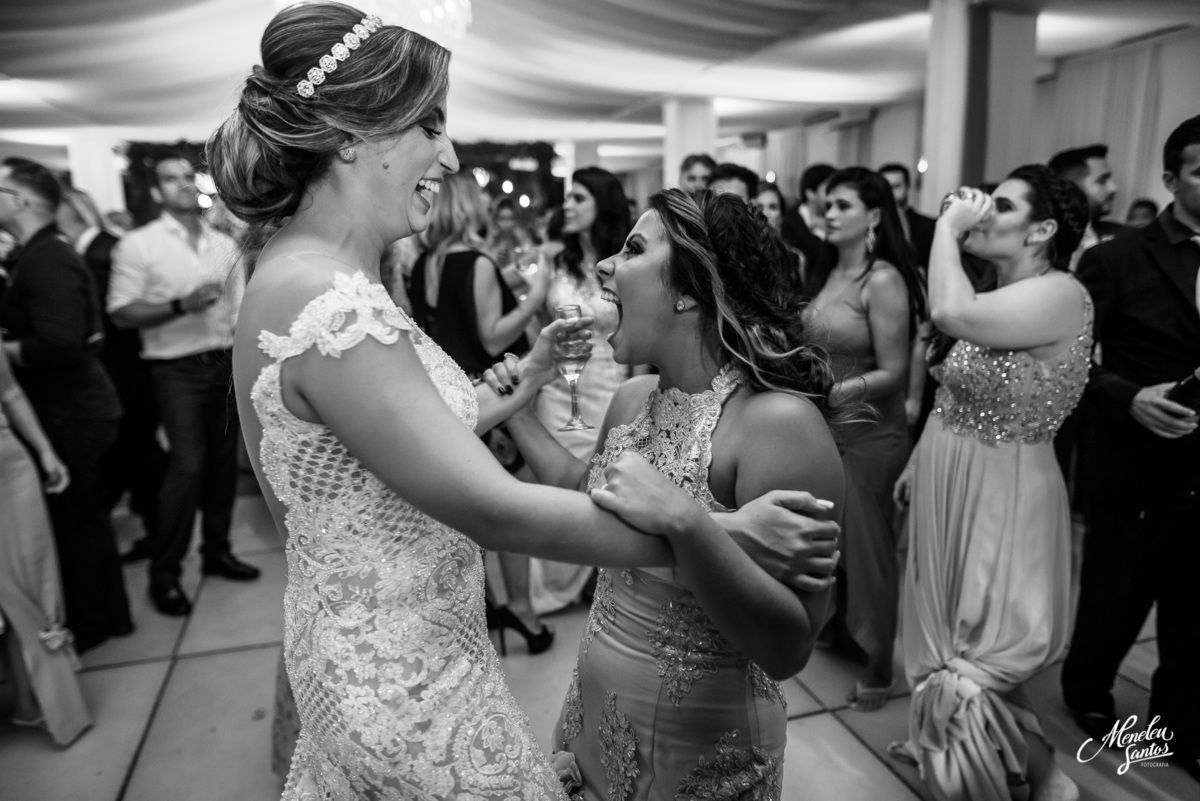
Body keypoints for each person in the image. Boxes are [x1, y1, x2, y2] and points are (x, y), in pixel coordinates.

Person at [208, 5, 841, 798]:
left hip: (381, 650)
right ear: (351, 134)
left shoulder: (304, 277)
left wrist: (530, 375)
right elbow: (496, 509)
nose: (449, 150)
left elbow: (389, 444)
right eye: (429, 124)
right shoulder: (328, 301)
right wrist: (715, 529)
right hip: (404, 674)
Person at [481, 187, 845, 799]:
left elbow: (789, 648)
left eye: (632, 248)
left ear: (686, 290)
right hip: (593, 715)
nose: (603, 265)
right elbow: (582, 493)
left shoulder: (777, 425)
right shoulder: (632, 398)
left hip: (698, 754)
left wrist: (688, 522)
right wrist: (516, 410)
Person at [891, 166, 1092, 801]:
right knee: (938, 626)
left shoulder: (1060, 293)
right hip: (947, 472)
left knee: (982, 647)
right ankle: (947, 741)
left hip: (1005, 488)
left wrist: (947, 223)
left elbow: (949, 309)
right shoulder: (994, 293)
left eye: (1000, 206)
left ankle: (1038, 773)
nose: (981, 214)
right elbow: (952, 398)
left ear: (1044, 230)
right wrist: (917, 462)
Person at [1062, 115, 1200, 783]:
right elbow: (1067, 361)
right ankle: (1087, 694)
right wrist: (1129, 396)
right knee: (1115, 597)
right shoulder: (1117, 257)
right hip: (1135, 462)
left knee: (1195, 613)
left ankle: (1181, 724)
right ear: (1172, 179)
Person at [406, 172, 554, 651]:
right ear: (468, 206)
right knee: (512, 512)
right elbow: (491, 336)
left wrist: (510, 276)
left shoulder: (425, 261)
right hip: (492, 396)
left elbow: (455, 314)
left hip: (448, 396)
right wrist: (536, 294)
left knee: (470, 514)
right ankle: (524, 615)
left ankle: (486, 606)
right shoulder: (477, 261)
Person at [108, 153, 259, 617]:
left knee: (220, 466)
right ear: (155, 191)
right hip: (174, 369)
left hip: (224, 363)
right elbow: (120, 311)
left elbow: (240, 307)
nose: (178, 185)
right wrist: (179, 306)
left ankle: (217, 551)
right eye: (167, 179)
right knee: (188, 466)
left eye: (184, 178)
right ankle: (165, 572)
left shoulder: (221, 243)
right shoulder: (139, 245)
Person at [801, 166, 926, 712]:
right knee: (828, 530)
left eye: (843, 205)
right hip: (828, 428)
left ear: (874, 216)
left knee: (871, 548)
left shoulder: (883, 280)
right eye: (827, 204)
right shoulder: (824, 274)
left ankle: (881, 666)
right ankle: (840, 630)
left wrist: (832, 392)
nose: (829, 213)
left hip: (873, 433)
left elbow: (895, 371)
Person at [0, 157, 131, 654]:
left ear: (21, 201)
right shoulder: (36, 252)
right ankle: (109, 617)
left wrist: (4, 350)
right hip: (74, 405)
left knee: (77, 518)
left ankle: (95, 622)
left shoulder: (47, 257)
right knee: (86, 516)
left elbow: (61, 345)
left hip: (72, 409)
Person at [530, 167, 633, 618]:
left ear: (603, 205)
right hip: (561, 385)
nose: (567, 206)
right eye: (567, 198)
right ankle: (550, 586)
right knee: (559, 485)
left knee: (602, 482)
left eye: (579, 198)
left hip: (610, 382)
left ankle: (598, 578)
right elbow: (539, 323)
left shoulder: (625, 264)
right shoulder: (557, 260)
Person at [0, 332, 90, 746]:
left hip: (8, 463)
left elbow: (11, 392)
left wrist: (45, 452)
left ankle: (34, 700)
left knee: (35, 578)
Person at [57, 188, 166, 530]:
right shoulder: (90, 249)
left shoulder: (102, 252)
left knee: (137, 447)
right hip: (122, 369)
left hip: (125, 370)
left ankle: (156, 527)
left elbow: (116, 319)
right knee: (135, 448)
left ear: (66, 210)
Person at [1049, 143, 1131, 254]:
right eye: (1102, 180)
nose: (1113, 188)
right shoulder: (1041, 240)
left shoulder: (1127, 238)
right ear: (1071, 187)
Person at [879, 162, 936, 269]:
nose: (890, 193)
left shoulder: (929, 227)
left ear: (907, 186)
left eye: (896, 186)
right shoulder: (872, 224)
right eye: (885, 188)